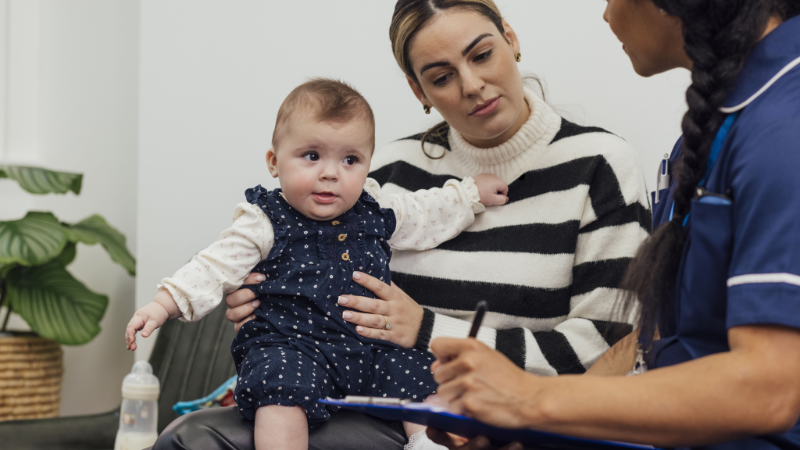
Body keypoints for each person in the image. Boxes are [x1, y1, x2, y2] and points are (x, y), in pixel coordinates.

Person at [151, 1, 651, 449]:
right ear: (419, 91)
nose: (472, 85)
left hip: (525, 420)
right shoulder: (383, 175)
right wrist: (260, 296)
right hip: (384, 409)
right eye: (440, 76)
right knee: (196, 438)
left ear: (511, 39)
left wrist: (429, 330)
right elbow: (313, 271)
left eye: (481, 55)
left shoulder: (598, 165)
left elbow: (609, 350)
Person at [426, 0, 800, 449]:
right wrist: (530, 429)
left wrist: (528, 399)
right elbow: (658, 338)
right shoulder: (714, 127)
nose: (606, 16)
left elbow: (771, 391)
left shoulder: (783, 127)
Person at [128, 78, 510, 450]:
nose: (330, 173)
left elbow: (425, 212)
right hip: (292, 346)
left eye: (350, 160)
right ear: (274, 162)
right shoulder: (265, 220)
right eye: (312, 156)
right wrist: (163, 304)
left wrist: (470, 194)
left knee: (421, 374)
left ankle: (427, 443)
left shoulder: (375, 207)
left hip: (370, 345)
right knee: (279, 394)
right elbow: (213, 266)